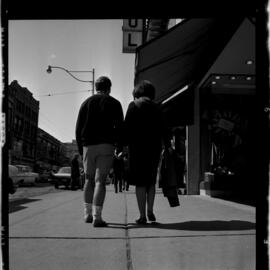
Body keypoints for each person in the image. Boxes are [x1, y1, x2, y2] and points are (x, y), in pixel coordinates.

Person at [76, 76, 124, 227]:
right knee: (100, 181)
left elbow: (78, 128)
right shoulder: (115, 103)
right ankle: (97, 216)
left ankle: (87, 214)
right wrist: (120, 147)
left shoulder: (86, 103)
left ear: (96, 87)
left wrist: (81, 149)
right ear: (109, 88)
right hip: (106, 145)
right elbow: (120, 128)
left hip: (88, 146)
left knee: (89, 180)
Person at [123, 80, 163, 224]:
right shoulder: (158, 107)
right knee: (150, 182)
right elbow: (164, 128)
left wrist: (121, 146)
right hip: (154, 148)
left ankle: (142, 216)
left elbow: (126, 128)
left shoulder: (133, 105)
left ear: (137, 92)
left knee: (140, 183)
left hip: (137, 149)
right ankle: (150, 210)